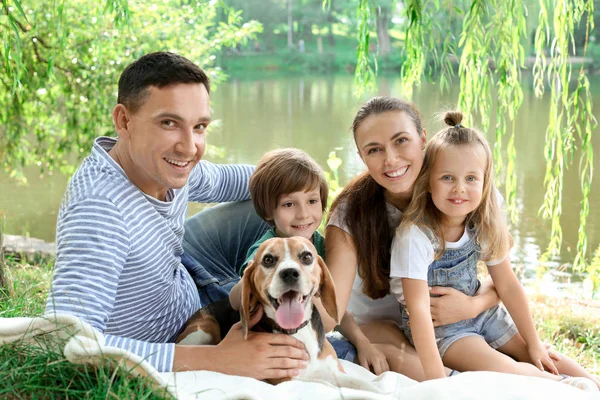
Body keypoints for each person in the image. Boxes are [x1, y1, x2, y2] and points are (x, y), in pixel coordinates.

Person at [45, 51, 310, 380]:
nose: (189, 147)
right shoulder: (99, 210)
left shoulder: (160, 163)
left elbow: (243, 180)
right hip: (168, 337)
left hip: (187, 281)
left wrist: (308, 186)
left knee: (280, 202)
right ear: (124, 121)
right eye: (169, 123)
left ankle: (320, 300)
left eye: (199, 127)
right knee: (322, 358)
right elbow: (69, 342)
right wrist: (217, 360)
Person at [388, 111, 599, 391]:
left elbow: (508, 285)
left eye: (471, 178)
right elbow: (418, 311)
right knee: (506, 369)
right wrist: (436, 380)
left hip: (483, 313)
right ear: (428, 181)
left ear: (485, 182)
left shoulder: (481, 221)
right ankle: (570, 390)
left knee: (542, 356)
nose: (459, 189)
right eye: (447, 177)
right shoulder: (416, 235)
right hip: (441, 330)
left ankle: (593, 384)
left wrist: (534, 344)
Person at [318, 96, 503, 380]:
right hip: (383, 329)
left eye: (401, 140)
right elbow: (333, 309)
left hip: (450, 322)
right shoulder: (350, 214)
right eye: (374, 149)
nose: (390, 159)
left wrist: (473, 305)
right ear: (361, 156)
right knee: (460, 381)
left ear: (423, 139)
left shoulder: (455, 188)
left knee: (527, 361)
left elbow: (505, 276)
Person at [227, 147, 359, 362]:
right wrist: (256, 271)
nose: (303, 214)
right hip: (274, 331)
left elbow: (335, 306)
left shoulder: (319, 246)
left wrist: (363, 342)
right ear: (269, 211)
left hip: (310, 328)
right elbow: (235, 300)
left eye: (312, 201)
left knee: (354, 350)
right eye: (289, 204)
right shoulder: (264, 251)